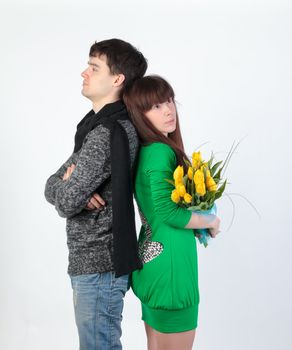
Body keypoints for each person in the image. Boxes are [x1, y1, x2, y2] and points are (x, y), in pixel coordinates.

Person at [44, 38, 147, 350]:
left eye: (93, 67)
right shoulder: (97, 127)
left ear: (117, 79)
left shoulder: (107, 133)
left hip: (99, 265)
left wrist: (71, 189)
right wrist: (70, 187)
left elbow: (63, 200)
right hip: (94, 264)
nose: (83, 73)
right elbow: (52, 184)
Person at [123, 75, 220, 350]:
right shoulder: (161, 152)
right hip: (171, 274)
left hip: (154, 263)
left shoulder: (146, 151)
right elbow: (169, 213)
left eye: (168, 101)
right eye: (155, 106)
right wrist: (210, 220)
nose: (168, 110)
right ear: (139, 115)